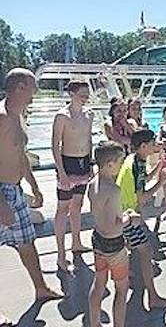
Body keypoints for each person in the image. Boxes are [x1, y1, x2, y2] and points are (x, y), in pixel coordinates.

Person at [0, 68, 62, 303]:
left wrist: (34, 186)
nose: (36, 90)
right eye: (33, 86)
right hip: (1, 193)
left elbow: (20, 155)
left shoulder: (18, 115)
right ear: (20, 87)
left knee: (27, 241)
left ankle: (41, 288)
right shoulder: (2, 116)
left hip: (14, 190)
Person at [117, 129, 166, 309]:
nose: (156, 144)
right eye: (153, 142)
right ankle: (153, 297)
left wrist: (158, 169)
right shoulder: (137, 165)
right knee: (147, 250)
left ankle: (131, 272)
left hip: (122, 212)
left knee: (135, 247)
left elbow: (141, 180)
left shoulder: (134, 159)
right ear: (143, 146)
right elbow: (142, 197)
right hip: (128, 215)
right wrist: (161, 182)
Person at [88, 141, 141, 327]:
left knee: (99, 283)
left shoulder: (92, 183)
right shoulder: (114, 190)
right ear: (110, 164)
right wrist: (130, 218)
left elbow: (103, 216)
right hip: (114, 245)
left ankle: (94, 323)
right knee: (121, 288)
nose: (122, 165)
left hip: (97, 240)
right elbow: (114, 225)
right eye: (120, 162)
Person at [52, 80, 94, 271]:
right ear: (72, 94)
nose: (86, 97)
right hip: (67, 164)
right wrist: (61, 171)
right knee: (63, 208)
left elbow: (89, 139)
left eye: (87, 94)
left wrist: (91, 163)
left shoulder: (89, 114)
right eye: (82, 94)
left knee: (78, 205)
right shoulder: (62, 116)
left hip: (83, 163)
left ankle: (76, 242)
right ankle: (61, 255)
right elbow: (55, 145)